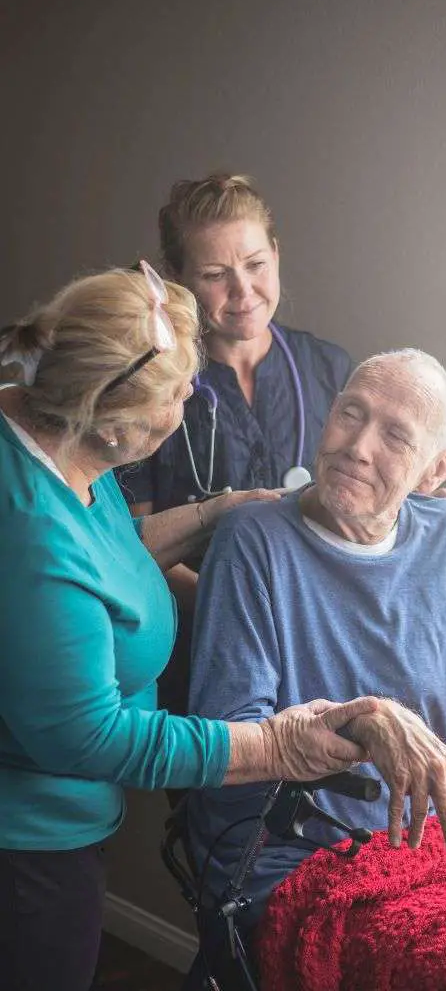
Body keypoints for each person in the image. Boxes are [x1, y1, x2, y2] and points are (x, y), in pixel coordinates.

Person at [0, 264, 380, 991]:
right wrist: (278, 746)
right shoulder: (28, 536)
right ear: (110, 421)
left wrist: (216, 511)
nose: (191, 398)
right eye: (177, 392)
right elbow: (92, 737)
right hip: (27, 851)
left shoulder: (48, 431)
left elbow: (106, 558)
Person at [185, 349, 446, 966]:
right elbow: (228, 737)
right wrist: (362, 721)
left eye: (395, 435)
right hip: (289, 854)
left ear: (436, 469)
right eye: (350, 414)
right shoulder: (254, 541)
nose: (358, 445)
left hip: (429, 847)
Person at [117, 171, 353, 712]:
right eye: (215, 274)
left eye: (255, 265)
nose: (243, 292)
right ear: (177, 279)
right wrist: (239, 610)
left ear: (276, 253)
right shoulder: (152, 390)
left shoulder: (329, 369)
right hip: (201, 651)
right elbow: (128, 546)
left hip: (321, 645)